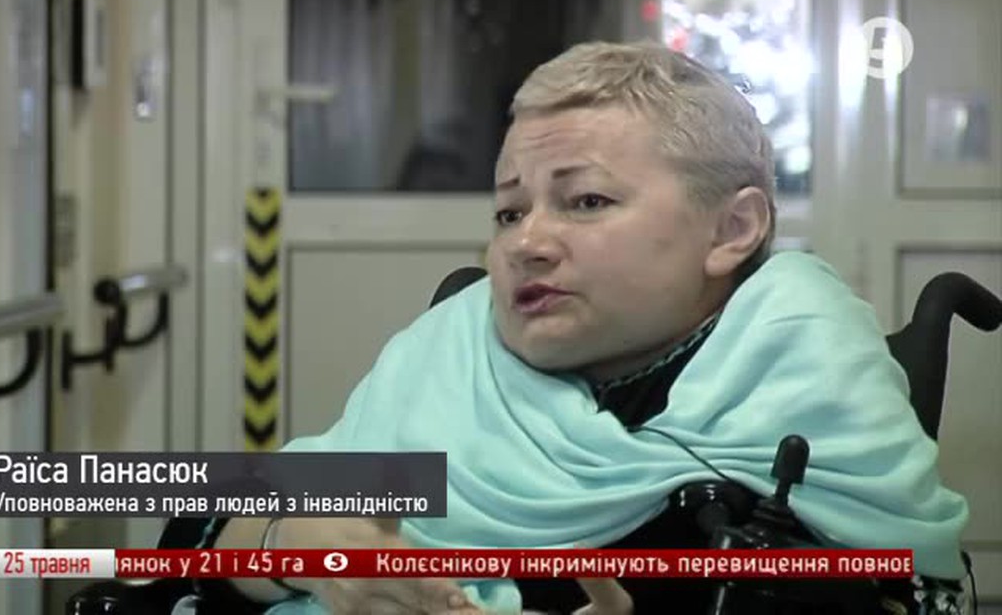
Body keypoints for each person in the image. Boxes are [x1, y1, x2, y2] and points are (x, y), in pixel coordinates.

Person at [164, 41, 969, 615]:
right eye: (509, 211)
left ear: (731, 230)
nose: (528, 242)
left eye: (586, 201)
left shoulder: (810, 386)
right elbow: (188, 532)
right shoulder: (455, 358)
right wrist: (294, 544)